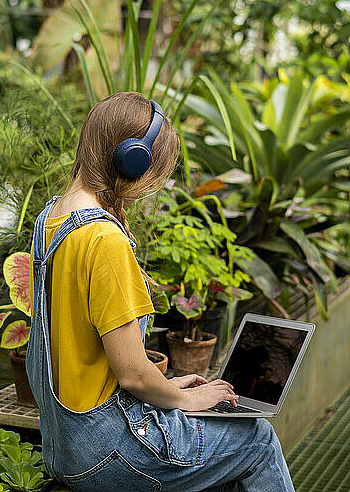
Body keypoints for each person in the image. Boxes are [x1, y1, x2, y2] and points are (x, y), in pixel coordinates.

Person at [26, 91, 295, 492]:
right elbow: (132, 374)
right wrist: (184, 400)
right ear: (133, 161)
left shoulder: (51, 217)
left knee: (220, 454)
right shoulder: (103, 239)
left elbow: (86, 351)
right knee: (255, 439)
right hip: (107, 451)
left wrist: (170, 385)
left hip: (64, 445)